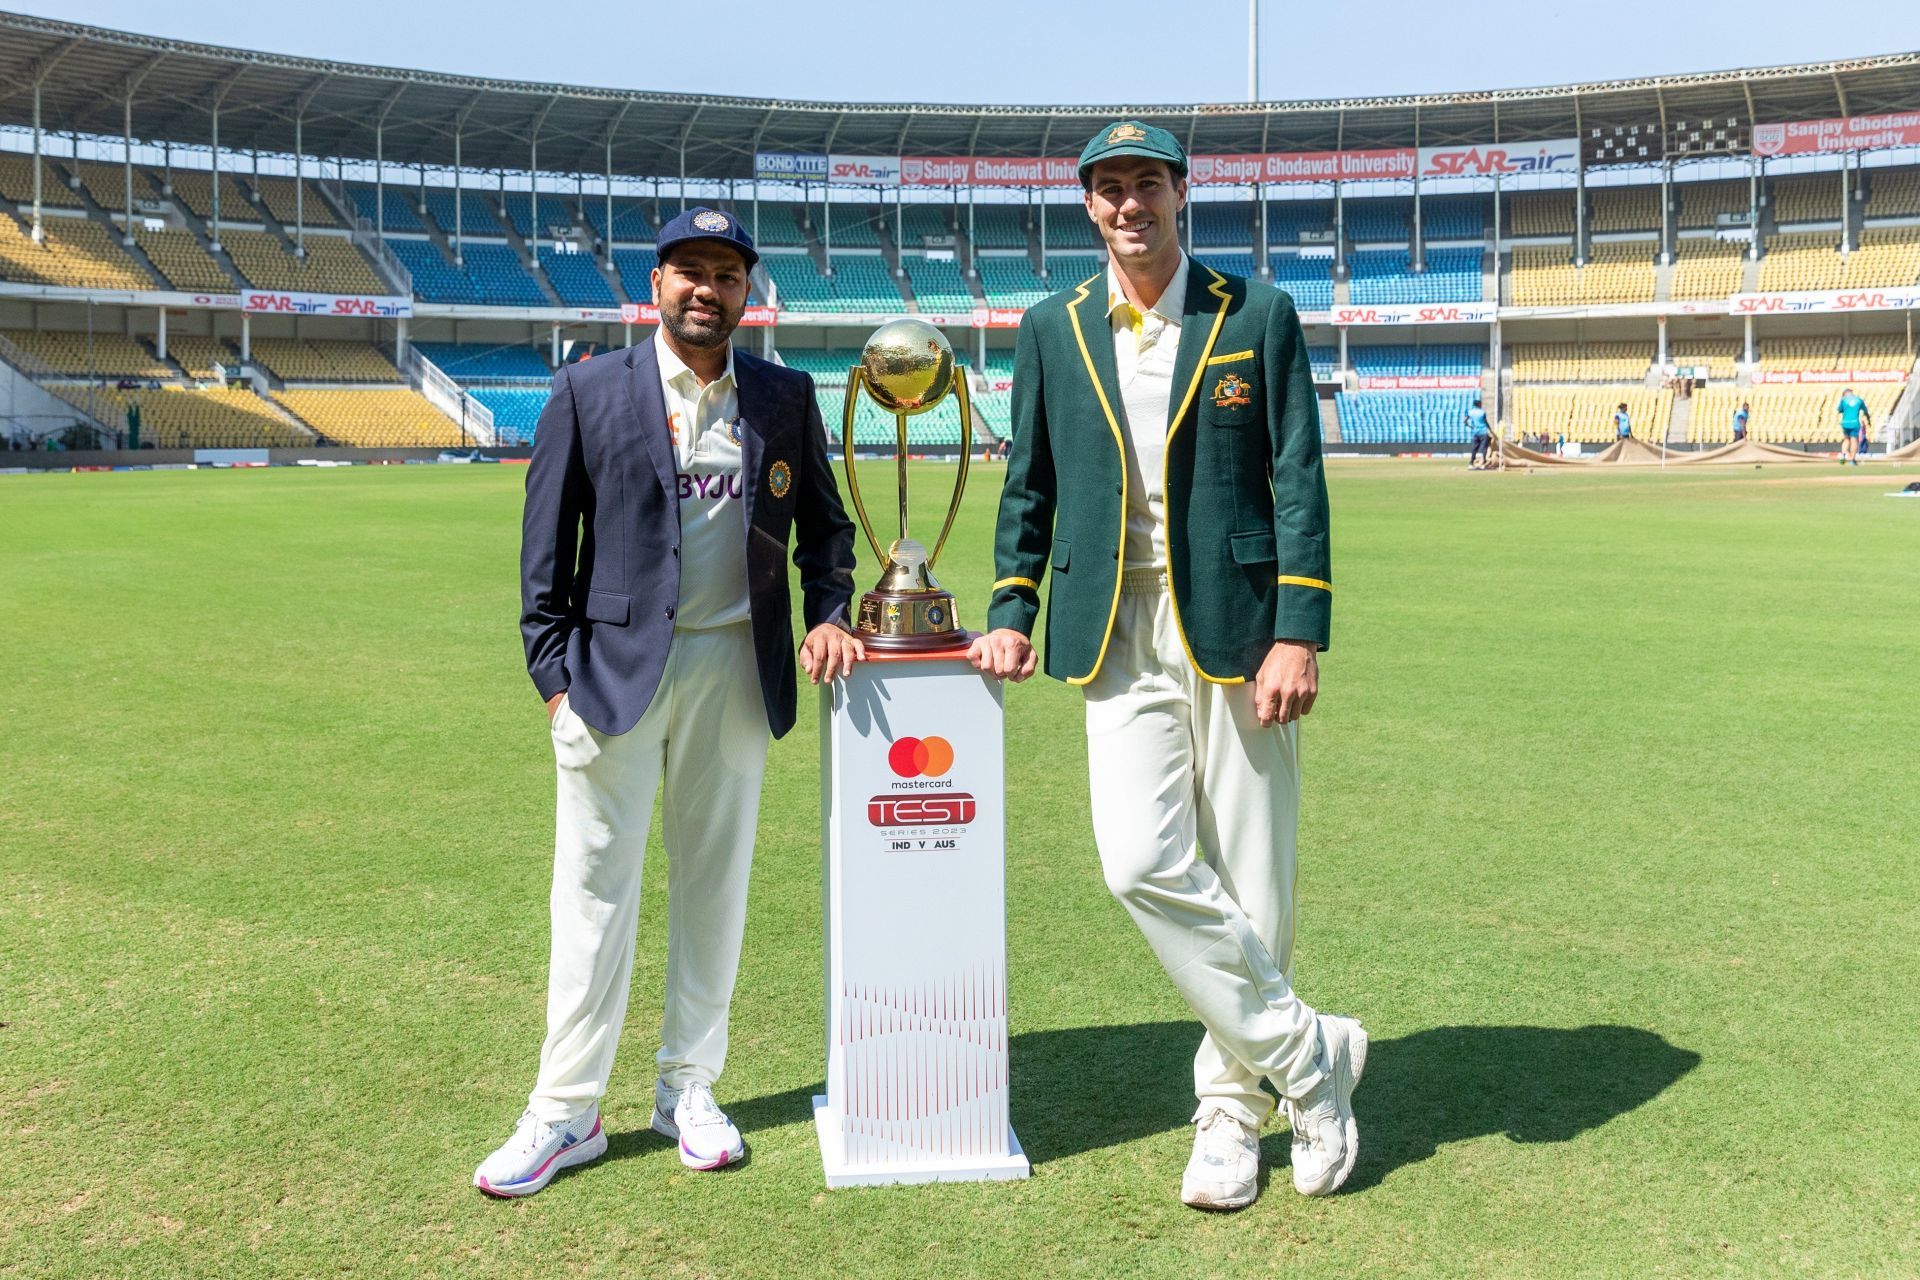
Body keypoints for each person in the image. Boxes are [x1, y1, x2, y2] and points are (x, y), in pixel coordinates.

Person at [969, 121, 1365, 1213]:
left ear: (1184, 194)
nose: (1129, 203)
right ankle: (1311, 1058)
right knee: (1138, 861)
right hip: (1114, 627)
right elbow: (1029, 485)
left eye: (1148, 183)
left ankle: (1230, 1114)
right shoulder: (1052, 327)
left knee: (1253, 877)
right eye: (1109, 188)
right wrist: (1014, 605)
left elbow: (1297, 478)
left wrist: (1300, 628)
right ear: (1089, 207)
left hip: (1240, 631)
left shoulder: (1256, 313)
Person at [476, 207, 862, 1198]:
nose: (707, 288)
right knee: (593, 893)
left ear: (747, 293)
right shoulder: (587, 390)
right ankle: (566, 1108)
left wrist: (827, 613)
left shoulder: (781, 394)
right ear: (655, 286)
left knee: (714, 888)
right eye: (688, 271)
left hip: (736, 670)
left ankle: (688, 1086)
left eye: (726, 274)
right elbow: (542, 559)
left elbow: (827, 529)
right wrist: (555, 679)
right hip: (610, 677)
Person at [1837, 387, 1871, 465]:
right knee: (1854, 441)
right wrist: (1869, 421)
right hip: (1855, 423)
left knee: (1846, 439)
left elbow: (1839, 410)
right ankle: (1852, 460)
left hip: (1845, 422)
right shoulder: (1859, 400)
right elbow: (1866, 411)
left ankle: (1843, 456)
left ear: (1845, 393)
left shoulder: (1843, 400)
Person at [1466, 398, 1492, 468]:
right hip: (1483, 432)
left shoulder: (1470, 412)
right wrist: (1490, 430)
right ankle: (1483, 463)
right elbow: (1485, 422)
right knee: (1484, 448)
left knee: (1474, 448)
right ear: (1478, 404)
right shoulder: (1482, 412)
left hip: (1475, 432)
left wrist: (1470, 426)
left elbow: (1465, 421)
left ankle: (1471, 463)